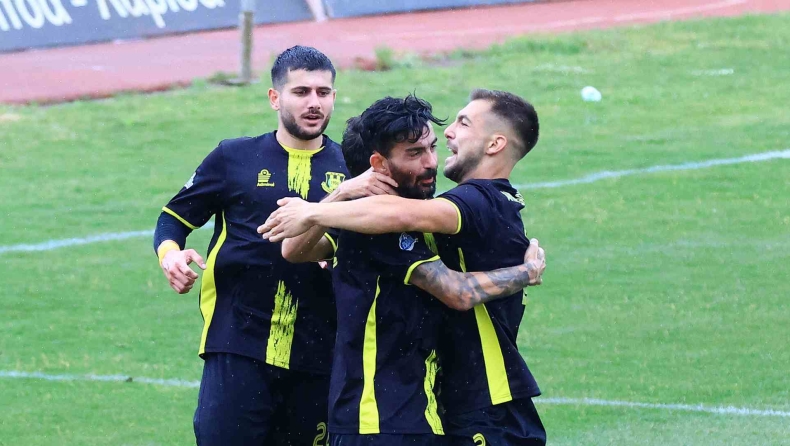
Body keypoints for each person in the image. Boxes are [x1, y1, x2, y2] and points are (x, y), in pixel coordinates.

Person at [259, 89, 548, 445]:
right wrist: (335, 198)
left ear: (496, 144)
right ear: (379, 165)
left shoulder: (473, 201)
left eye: (432, 147)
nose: (431, 160)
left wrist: (315, 209)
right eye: (415, 153)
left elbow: (450, 280)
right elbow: (294, 249)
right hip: (382, 418)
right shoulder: (374, 225)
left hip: (451, 407)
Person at [152, 45, 396, 445]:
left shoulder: (352, 171)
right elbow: (172, 219)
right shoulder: (233, 157)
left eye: (323, 92)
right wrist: (170, 255)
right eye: (301, 92)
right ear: (274, 97)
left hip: (320, 350)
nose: (314, 102)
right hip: (238, 343)